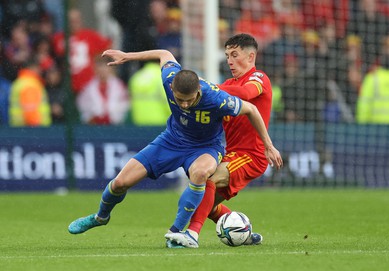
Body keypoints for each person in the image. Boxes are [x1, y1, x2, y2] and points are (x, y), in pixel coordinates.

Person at [67, 48, 283, 242]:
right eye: (180, 100)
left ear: (198, 90)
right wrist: (127, 56)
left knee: (202, 174)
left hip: (206, 147)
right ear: (171, 88)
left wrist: (268, 145)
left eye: (191, 99)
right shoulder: (169, 77)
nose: (186, 104)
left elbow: (252, 109)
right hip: (171, 140)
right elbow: (164, 54)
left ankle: (177, 231)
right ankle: (100, 217)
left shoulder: (216, 98)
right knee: (120, 182)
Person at [165, 34, 283, 248]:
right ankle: (244, 234)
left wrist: (207, 85)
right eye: (227, 55)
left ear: (251, 56)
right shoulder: (228, 84)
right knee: (203, 202)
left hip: (250, 156)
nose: (229, 60)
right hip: (229, 153)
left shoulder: (258, 78)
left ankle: (192, 234)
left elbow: (246, 93)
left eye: (235, 55)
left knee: (209, 179)